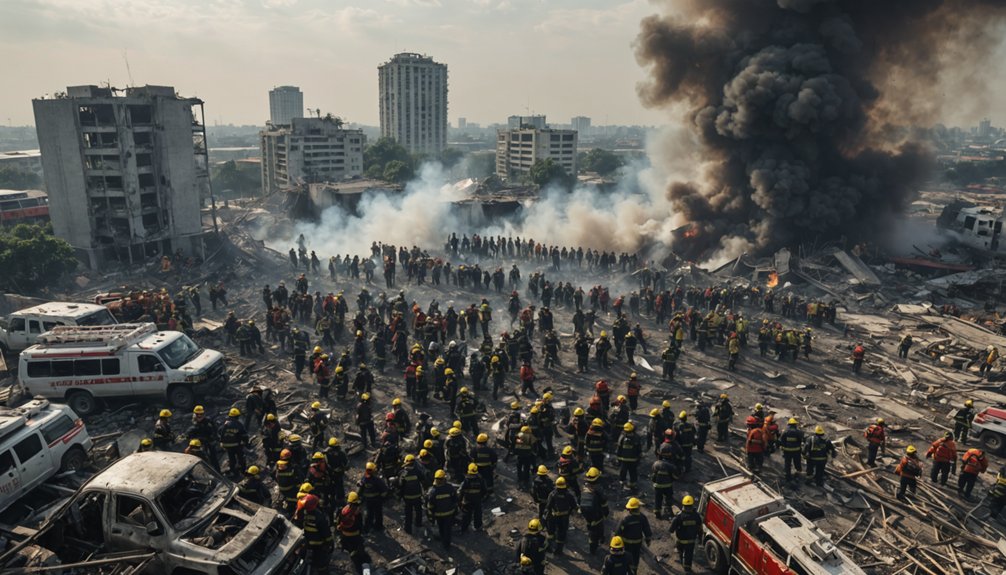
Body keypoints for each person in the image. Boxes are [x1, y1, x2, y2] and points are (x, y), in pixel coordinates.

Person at [337, 492, 373, 575]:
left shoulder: (343, 510)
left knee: (352, 552)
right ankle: (364, 571)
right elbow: (360, 526)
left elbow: (338, 522)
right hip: (355, 537)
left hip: (345, 536)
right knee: (361, 556)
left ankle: (355, 561)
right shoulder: (357, 513)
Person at [616, 497, 652, 574]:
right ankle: (633, 572)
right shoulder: (642, 518)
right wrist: (648, 540)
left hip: (626, 544)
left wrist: (616, 544)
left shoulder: (625, 518)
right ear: (637, 508)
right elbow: (647, 530)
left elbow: (618, 532)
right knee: (635, 559)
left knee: (625, 558)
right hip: (637, 544)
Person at [545, 476, 578, 554]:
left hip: (553, 517)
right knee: (561, 533)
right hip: (564, 518)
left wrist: (546, 516)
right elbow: (574, 506)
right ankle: (558, 551)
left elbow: (548, 506)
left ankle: (548, 547)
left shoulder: (552, 494)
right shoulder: (568, 495)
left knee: (550, 533)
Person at [427, 469, 458, 550]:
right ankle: (447, 544)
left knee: (441, 528)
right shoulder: (449, 488)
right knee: (447, 529)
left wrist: (431, 517)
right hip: (449, 514)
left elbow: (430, 506)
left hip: (438, 515)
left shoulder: (432, 491)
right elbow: (455, 500)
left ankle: (444, 543)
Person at [580, 467, 609, 555]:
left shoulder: (584, 488)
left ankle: (596, 541)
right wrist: (606, 513)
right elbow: (604, 503)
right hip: (596, 515)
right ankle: (594, 547)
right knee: (596, 530)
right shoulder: (598, 490)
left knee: (591, 527)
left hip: (586, 513)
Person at [669, 495, 701, 573]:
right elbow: (700, 528)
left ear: (683, 505)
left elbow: (671, 529)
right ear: (692, 505)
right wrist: (700, 538)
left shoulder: (679, 517)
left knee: (680, 552)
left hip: (681, 541)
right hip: (691, 541)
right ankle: (687, 569)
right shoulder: (696, 516)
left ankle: (682, 562)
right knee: (689, 555)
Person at [459, 463, 488, 533]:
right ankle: (478, 527)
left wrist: (460, 501)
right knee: (477, 514)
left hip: (467, 500)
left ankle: (464, 529)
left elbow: (461, 491)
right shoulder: (480, 479)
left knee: (466, 515)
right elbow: (484, 490)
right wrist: (482, 497)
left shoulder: (466, 481)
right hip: (477, 500)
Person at [219, 408, 248, 478]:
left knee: (232, 458)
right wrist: (246, 442)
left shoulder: (225, 424)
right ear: (237, 416)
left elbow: (220, 432)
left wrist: (221, 442)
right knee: (241, 457)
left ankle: (233, 472)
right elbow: (244, 435)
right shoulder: (239, 424)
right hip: (236, 445)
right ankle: (243, 471)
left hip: (227, 445)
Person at [616, 422, 642, 491]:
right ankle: (628, 485)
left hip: (627, 460)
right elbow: (639, 450)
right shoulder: (636, 437)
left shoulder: (623, 437)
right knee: (629, 472)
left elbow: (619, 449)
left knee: (628, 472)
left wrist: (618, 459)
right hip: (629, 460)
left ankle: (628, 485)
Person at [779, 418, 804, 483]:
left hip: (787, 451)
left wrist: (783, 447)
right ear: (795, 424)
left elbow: (781, 440)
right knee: (797, 463)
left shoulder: (785, 431)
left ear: (789, 424)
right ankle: (798, 475)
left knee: (787, 463)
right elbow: (801, 440)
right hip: (796, 451)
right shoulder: (798, 432)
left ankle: (788, 476)